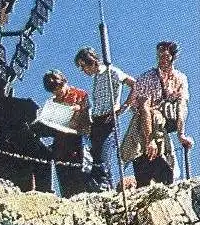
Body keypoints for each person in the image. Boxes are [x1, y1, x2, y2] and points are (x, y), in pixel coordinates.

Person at [121, 41, 194, 187]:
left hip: (165, 119)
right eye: (159, 55)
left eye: (166, 55)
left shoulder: (180, 78)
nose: (162, 58)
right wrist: (150, 140)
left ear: (173, 57)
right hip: (145, 121)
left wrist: (181, 134)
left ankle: (160, 165)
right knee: (142, 156)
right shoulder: (148, 77)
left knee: (164, 166)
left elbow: (182, 105)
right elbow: (144, 108)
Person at [74, 47, 135, 192]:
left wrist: (123, 107)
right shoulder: (96, 78)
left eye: (84, 66)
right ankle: (103, 187)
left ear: (92, 61)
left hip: (109, 121)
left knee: (103, 157)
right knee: (94, 158)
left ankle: (104, 188)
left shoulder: (111, 72)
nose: (83, 71)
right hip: (96, 120)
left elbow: (135, 84)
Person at [42, 69, 91, 198]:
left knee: (80, 180)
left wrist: (79, 110)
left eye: (59, 89)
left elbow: (87, 120)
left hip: (77, 143)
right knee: (65, 182)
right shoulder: (52, 102)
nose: (57, 93)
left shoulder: (79, 94)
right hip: (60, 145)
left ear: (64, 82)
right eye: (54, 91)